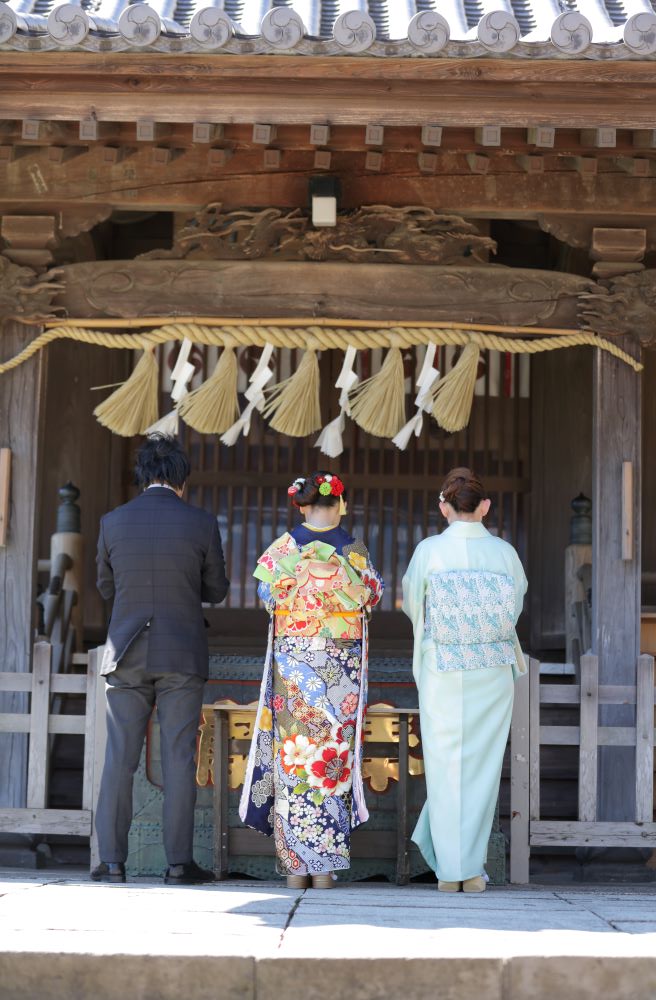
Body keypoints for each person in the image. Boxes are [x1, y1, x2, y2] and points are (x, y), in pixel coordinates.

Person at [92, 433, 229, 885]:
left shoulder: (113, 522)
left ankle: (111, 862)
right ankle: (177, 865)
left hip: (126, 652)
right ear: (182, 480)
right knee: (178, 758)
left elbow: (107, 588)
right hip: (181, 653)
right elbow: (216, 590)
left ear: (142, 476)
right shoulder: (201, 523)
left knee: (120, 758)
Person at [239, 471, 383, 888]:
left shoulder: (284, 548)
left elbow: (267, 597)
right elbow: (372, 595)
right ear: (340, 505)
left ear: (301, 507)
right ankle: (324, 868)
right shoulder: (354, 550)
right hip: (341, 664)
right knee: (332, 757)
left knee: (294, 755)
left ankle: (294, 869)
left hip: (294, 660)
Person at [402, 467, 527, 893]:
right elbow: (515, 607)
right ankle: (467, 868)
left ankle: (448, 868)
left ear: (444, 508)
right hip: (491, 667)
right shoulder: (505, 553)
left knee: (444, 763)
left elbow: (412, 604)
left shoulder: (430, 550)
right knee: (482, 766)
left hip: (442, 664)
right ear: (485, 507)